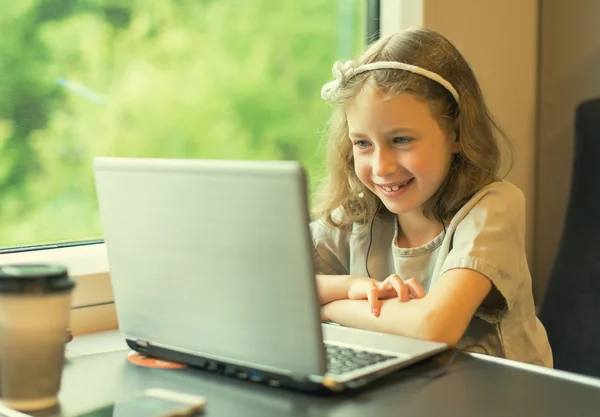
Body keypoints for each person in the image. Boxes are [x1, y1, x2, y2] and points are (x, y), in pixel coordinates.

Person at [311, 28, 552, 367]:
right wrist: (350, 286)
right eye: (363, 143)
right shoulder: (358, 215)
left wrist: (327, 308)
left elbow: (434, 326)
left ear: (456, 132)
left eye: (401, 140)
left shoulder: (495, 206)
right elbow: (270, 285)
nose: (381, 167)